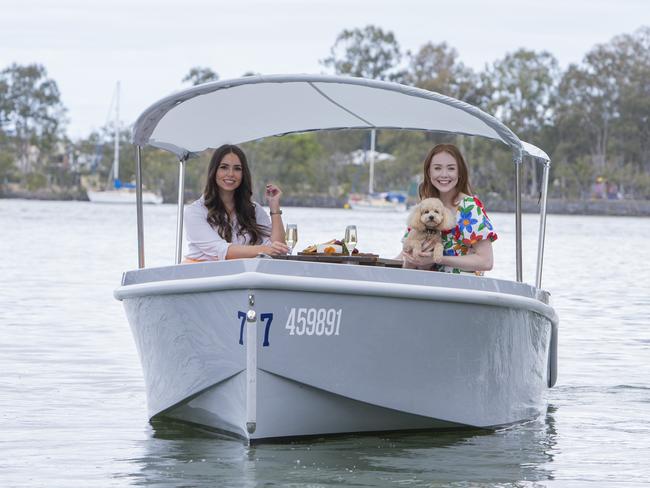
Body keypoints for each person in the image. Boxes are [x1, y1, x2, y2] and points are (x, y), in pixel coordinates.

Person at [402, 143, 497, 274]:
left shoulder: (468, 208)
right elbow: (405, 254)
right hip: (426, 287)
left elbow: (486, 261)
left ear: (459, 173)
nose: (444, 174)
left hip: (462, 289)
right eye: (437, 168)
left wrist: (438, 259)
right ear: (429, 172)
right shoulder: (426, 206)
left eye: (451, 168)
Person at [184, 144, 289, 262]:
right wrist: (264, 249)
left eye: (237, 168)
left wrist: (274, 207)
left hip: (243, 277)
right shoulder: (195, 211)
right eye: (224, 167)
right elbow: (222, 251)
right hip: (203, 276)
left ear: (243, 174)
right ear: (214, 171)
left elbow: (278, 249)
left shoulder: (254, 210)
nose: (231, 174)